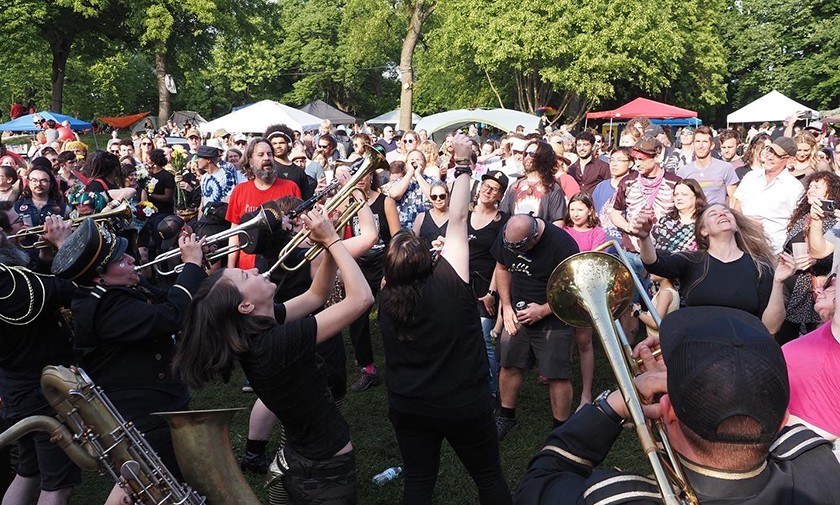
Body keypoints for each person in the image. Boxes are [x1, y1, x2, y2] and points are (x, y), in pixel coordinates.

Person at [516, 307, 840, 505]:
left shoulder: (618, 497)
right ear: (784, 418)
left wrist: (613, 405)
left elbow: (538, 484)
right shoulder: (818, 465)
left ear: (667, 412)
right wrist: (697, 387)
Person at [173, 208, 375, 504]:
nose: (254, 269)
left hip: (302, 453)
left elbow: (316, 296)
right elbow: (362, 299)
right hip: (325, 468)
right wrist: (333, 240)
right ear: (244, 306)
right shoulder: (274, 343)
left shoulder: (256, 328)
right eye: (245, 275)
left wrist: (325, 248)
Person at [378, 136, 513, 505]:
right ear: (428, 258)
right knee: (488, 478)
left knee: (418, 483)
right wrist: (465, 164)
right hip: (463, 403)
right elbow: (457, 217)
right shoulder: (452, 281)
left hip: (409, 406)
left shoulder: (385, 299)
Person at [51, 219, 206, 504]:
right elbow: (170, 315)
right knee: (153, 482)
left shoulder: (115, 289)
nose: (131, 259)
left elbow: (164, 299)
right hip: (143, 415)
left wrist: (192, 271)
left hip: (158, 401)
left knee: (169, 479)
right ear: (100, 276)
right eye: (121, 259)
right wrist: (191, 265)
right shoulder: (106, 305)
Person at [0, 216, 79, 505]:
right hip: (43, 392)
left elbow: (37, 290)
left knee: (28, 472)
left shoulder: (13, 281)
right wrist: (65, 244)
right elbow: (71, 290)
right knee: (58, 485)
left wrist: (46, 258)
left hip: (16, 389)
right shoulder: (7, 283)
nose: (3, 233)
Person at [632, 202, 793, 333]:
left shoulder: (760, 267)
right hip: (700, 347)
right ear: (703, 231)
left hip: (743, 347)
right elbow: (655, 265)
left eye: (726, 212)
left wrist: (778, 282)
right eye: (713, 214)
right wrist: (645, 238)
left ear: (736, 226)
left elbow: (771, 328)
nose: (722, 214)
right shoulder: (691, 260)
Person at [492, 213, 580, 440]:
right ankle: (506, 417)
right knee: (509, 364)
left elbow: (573, 287)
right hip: (517, 313)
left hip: (554, 317)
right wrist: (507, 307)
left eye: (520, 248)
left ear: (535, 236)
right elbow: (501, 268)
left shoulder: (562, 244)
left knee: (557, 375)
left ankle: (560, 430)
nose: (515, 253)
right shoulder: (508, 235)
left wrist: (542, 310)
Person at [561, 192, 606, 408]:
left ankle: (586, 394)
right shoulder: (563, 232)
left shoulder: (597, 233)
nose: (575, 213)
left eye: (580, 209)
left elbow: (594, 260)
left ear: (590, 211)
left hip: (586, 292)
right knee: (564, 338)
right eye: (572, 209)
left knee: (584, 341)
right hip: (564, 290)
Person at [468, 170, 510, 402]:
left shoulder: (502, 221)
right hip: (460, 283)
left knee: (485, 339)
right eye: (486, 185)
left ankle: (493, 390)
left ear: (500, 196)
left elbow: (500, 261)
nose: (488, 190)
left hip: (486, 285)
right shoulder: (464, 213)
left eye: (494, 189)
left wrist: (492, 292)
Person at [733, 136, 804, 254]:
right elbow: (736, 208)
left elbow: (797, 223)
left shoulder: (794, 188)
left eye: (777, 155)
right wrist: (744, 221)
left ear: (789, 159)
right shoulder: (751, 177)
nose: (770, 157)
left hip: (773, 253)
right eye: (770, 151)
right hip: (742, 247)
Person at [675, 125, 739, 205]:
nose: (701, 146)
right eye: (698, 142)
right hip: (694, 216)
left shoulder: (725, 168)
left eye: (705, 142)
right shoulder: (683, 171)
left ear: (712, 145)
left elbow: (734, 199)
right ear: (693, 144)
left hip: (718, 215)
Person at [651, 178, 707, 253]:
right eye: (676, 195)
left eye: (684, 194)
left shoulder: (705, 222)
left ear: (696, 196)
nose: (679, 198)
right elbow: (651, 247)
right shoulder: (665, 221)